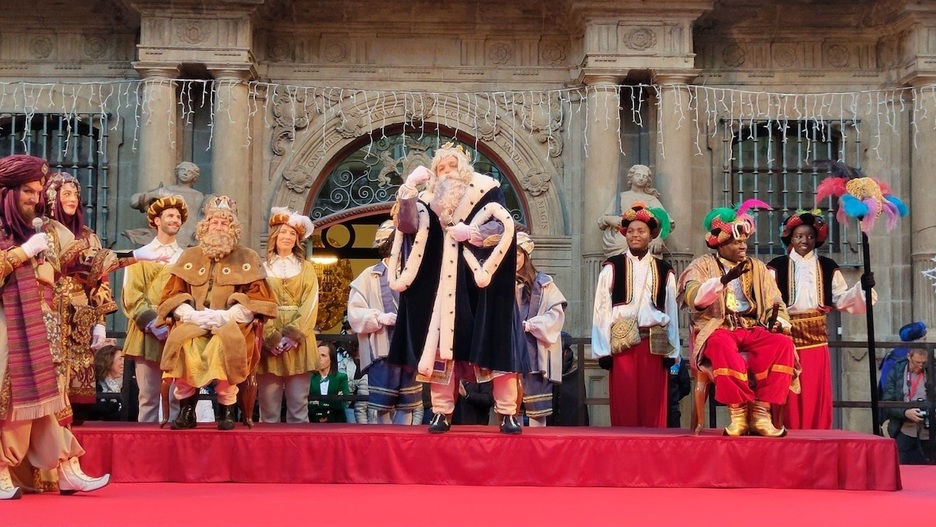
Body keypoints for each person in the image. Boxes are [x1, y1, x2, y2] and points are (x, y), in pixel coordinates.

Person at [387, 142, 528, 434]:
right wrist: (408, 189)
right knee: (441, 349)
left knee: (496, 344)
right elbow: (406, 226)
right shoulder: (425, 198)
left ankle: (507, 412)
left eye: (452, 166)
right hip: (440, 284)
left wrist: (475, 234)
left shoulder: (487, 189)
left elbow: (503, 228)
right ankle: (441, 412)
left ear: (464, 167)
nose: (447, 172)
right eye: (441, 168)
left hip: (481, 284)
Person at [0, 154, 109, 500]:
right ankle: (3, 471)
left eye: (38, 191)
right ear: (8, 191)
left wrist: (138, 254)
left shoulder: (43, 227)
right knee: (9, 399)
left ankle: (64, 469)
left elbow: (82, 262)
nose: (36, 198)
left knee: (43, 399)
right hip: (5, 323)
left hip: (39, 324)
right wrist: (19, 254)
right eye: (29, 192)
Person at [156, 195, 278, 431]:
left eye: (224, 223)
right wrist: (189, 313)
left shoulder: (248, 257)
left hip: (231, 323)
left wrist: (229, 315)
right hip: (194, 321)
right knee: (184, 344)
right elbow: (170, 294)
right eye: (214, 222)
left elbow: (261, 300)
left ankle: (227, 408)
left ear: (232, 228)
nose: (218, 227)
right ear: (205, 225)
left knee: (223, 345)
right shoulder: (189, 256)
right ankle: (187, 410)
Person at [676, 200, 795, 437]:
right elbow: (694, 299)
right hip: (718, 327)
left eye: (744, 242)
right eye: (737, 242)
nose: (743, 246)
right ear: (721, 243)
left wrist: (780, 322)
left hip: (752, 327)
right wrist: (722, 281)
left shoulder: (759, 268)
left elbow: (776, 301)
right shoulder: (701, 265)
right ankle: (738, 413)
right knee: (721, 344)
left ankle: (761, 412)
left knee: (783, 344)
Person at [767, 210, 876, 429]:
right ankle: (786, 432)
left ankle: (815, 434)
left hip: (816, 337)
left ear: (816, 239)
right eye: (799, 236)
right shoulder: (776, 266)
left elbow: (842, 299)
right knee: (787, 387)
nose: (804, 240)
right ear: (790, 238)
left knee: (814, 387)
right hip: (785, 337)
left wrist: (862, 288)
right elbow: (768, 301)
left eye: (809, 236)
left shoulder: (827, 266)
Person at [592, 204, 680, 427]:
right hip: (623, 345)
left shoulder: (664, 269)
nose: (635, 235)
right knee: (625, 400)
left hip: (655, 344)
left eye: (641, 231)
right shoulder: (612, 266)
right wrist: (602, 350)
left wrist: (674, 352)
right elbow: (601, 309)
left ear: (651, 235)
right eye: (631, 231)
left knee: (653, 401)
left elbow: (671, 311)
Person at [121, 195, 188, 423]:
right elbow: (131, 297)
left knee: (176, 396)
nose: (175, 220)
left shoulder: (186, 258)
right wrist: (153, 324)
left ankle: (176, 449)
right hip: (146, 332)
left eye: (178, 217)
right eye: (170, 215)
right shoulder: (141, 255)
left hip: (177, 330)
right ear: (156, 220)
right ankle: (145, 452)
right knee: (147, 397)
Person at [348, 220, 421, 425]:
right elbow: (354, 312)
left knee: (407, 403)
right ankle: (385, 445)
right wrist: (378, 317)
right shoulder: (369, 275)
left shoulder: (416, 274)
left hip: (410, 348)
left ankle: (403, 447)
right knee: (382, 405)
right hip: (381, 347)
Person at [257, 207, 319, 424]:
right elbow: (258, 305)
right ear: (275, 235)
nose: (287, 237)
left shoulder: (306, 268)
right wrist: (270, 337)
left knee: (298, 408)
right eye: (283, 232)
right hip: (269, 344)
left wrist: (293, 335)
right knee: (268, 409)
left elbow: (310, 305)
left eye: (292, 234)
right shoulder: (261, 269)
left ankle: (299, 456)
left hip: (299, 344)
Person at [515, 231, 567, 427]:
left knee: (537, 411)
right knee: (510, 408)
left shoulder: (543, 283)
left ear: (526, 256)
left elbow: (556, 314)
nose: (514, 260)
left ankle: (537, 451)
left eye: (518, 254)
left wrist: (531, 325)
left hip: (535, 352)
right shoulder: (499, 283)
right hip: (510, 351)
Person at [597, 164, 673, 258]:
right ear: (631, 177)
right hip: (621, 238)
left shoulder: (651, 199)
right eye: (638, 175)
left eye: (644, 176)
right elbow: (601, 221)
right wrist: (610, 219)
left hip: (644, 239)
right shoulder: (621, 197)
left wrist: (658, 238)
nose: (641, 178)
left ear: (648, 181)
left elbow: (667, 221)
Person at [128, 161, 206, 247]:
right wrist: (148, 196)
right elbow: (134, 202)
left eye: (189, 172)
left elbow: (199, 217)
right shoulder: (167, 190)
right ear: (177, 172)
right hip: (167, 233)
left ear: (194, 177)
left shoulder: (198, 195)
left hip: (189, 237)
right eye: (183, 170)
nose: (185, 173)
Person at [882, 348, 934, 464]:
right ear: (909, 357)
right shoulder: (897, 372)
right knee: (902, 468)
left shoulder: (932, 371)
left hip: (929, 432)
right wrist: (905, 412)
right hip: (903, 429)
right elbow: (887, 402)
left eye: (923, 363)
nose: (920, 366)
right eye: (917, 362)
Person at [880, 322, 927, 397]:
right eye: (924, 337)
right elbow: (886, 388)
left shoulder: (892, 354)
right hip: (899, 404)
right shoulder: (894, 357)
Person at [309, 342, 350, 423]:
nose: (319, 358)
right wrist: (332, 401)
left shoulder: (341, 378)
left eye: (323, 355)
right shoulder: (309, 378)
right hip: (314, 421)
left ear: (331, 359)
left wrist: (318, 402)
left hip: (336, 421)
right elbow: (307, 404)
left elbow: (342, 404)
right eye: (317, 355)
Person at [89, 344, 124, 421]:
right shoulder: (93, 385)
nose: (123, 363)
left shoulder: (129, 385)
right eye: (120, 359)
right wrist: (115, 406)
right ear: (108, 360)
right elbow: (93, 410)